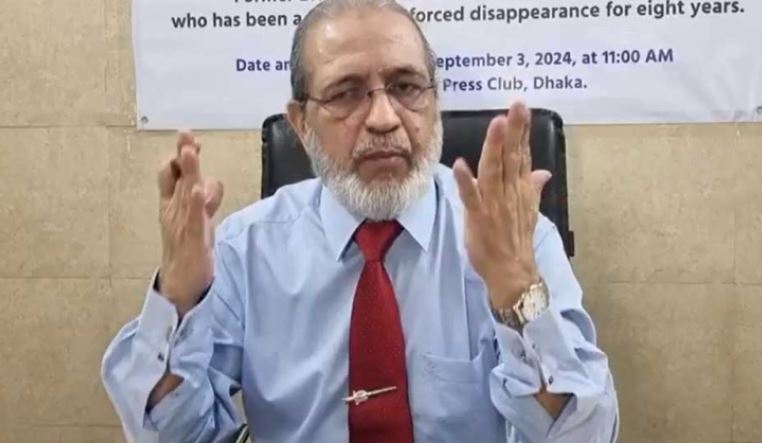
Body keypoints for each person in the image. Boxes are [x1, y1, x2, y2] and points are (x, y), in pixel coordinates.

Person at [102, 0, 619, 441]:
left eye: (406, 86)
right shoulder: (245, 249)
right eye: (346, 93)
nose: (384, 119)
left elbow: (586, 434)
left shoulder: (516, 240)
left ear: (434, 101)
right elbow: (171, 436)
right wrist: (177, 299)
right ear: (301, 124)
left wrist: (515, 293)